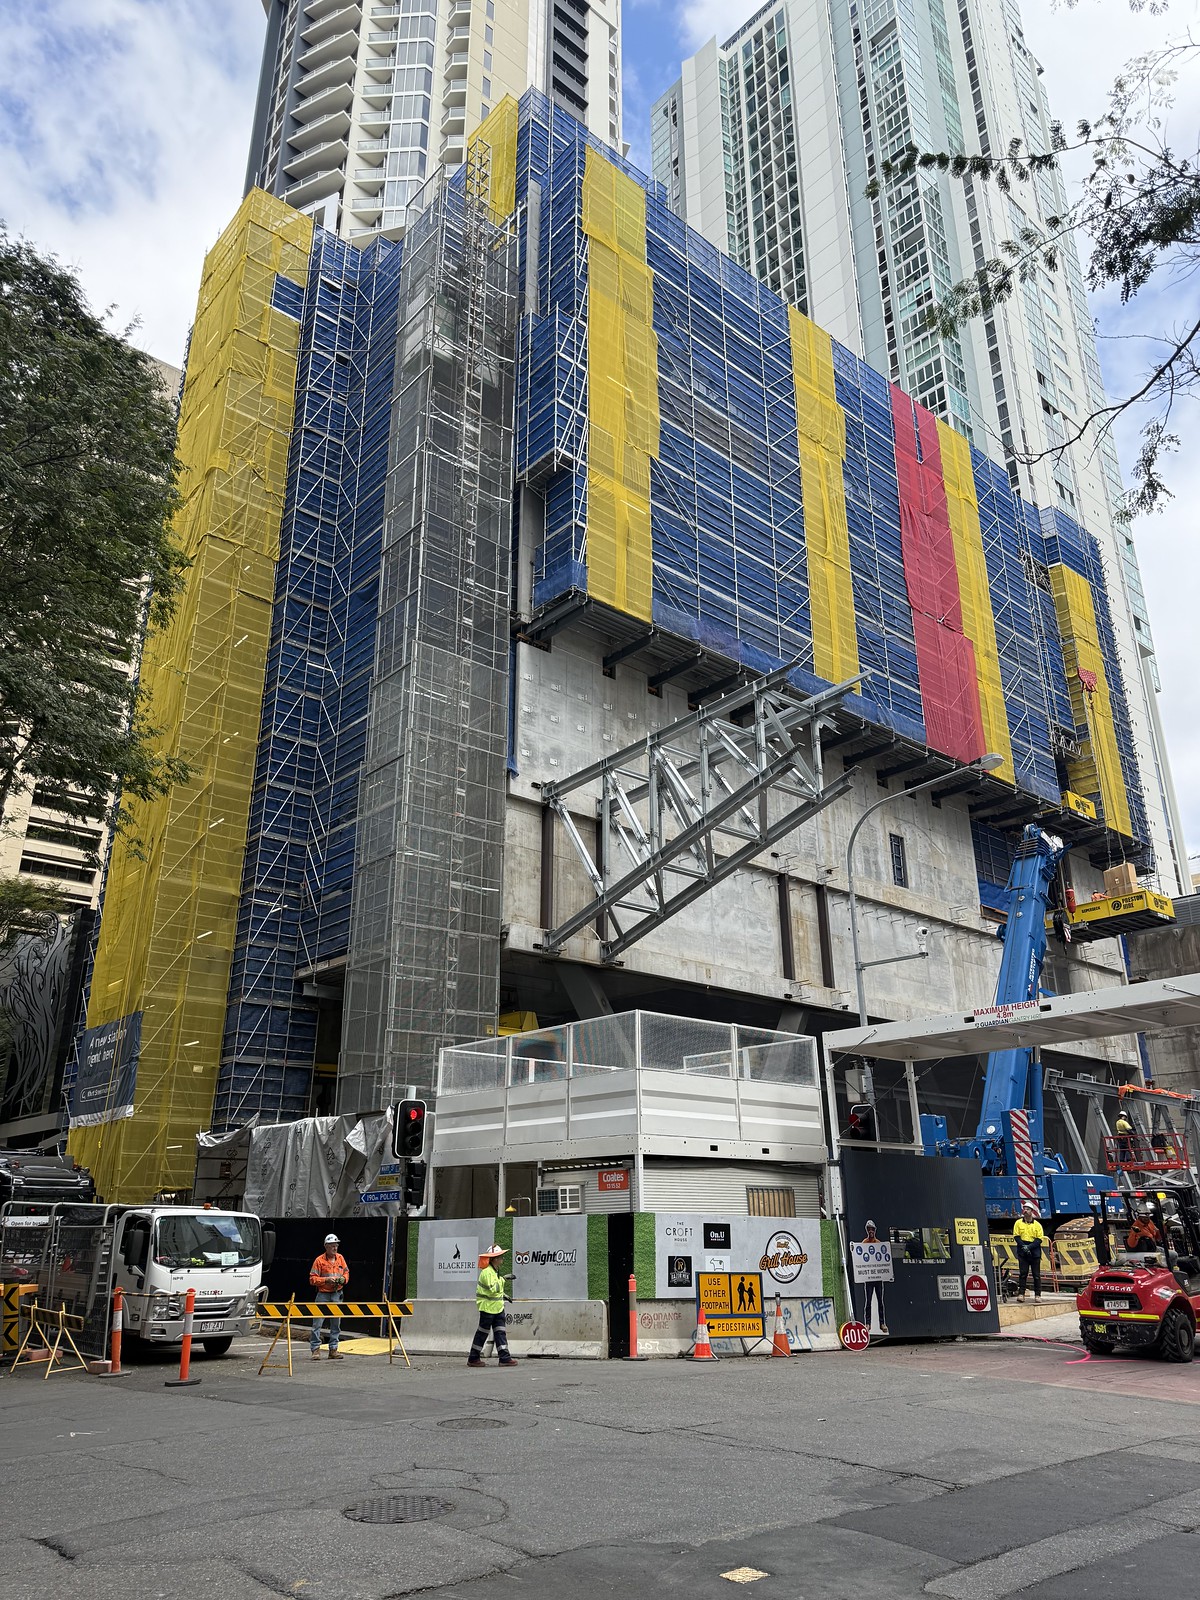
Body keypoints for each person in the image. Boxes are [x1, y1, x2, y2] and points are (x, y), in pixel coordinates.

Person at [468, 1243, 518, 1368]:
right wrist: (503, 1280)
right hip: (488, 1309)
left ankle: (504, 1358)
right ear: (494, 1258)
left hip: (497, 1308)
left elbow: (495, 1290)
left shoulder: (494, 1272)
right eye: (500, 1256)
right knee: (482, 1334)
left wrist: (503, 1295)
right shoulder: (487, 1273)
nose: (502, 1258)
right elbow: (492, 1288)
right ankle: (473, 1358)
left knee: (500, 1333)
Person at [309, 1232, 349, 1360]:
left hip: (337, 1294)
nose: (335, 1248)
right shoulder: (319, 1261)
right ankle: (315, 1350)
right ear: (326, 1246)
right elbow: (312, 1279)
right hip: (323, 1294)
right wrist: (326, 1281)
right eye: (332, 1246)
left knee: (336, 1323)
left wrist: (343, 1279)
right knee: (317, 1323)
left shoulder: (340, 1258)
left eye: (336, 1245)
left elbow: (346, 1273)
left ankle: (333, 1349)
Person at [858, 1221, 889, 1335]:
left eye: (872, 1229)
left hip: (878, 1278)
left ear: (875, 1230)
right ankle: (868, 1323)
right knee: (868, 1301)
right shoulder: (864, 1243)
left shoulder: (879, 1243)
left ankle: (882, 1323)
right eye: (869, 1229)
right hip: (869, 1278)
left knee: (880, 1301)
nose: (871, 1231)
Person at [1012, 1202, 1045, 1300]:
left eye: (1027, 1209)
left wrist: (1029, 1247)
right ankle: (1021, 1294)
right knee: (1023, 1273)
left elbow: (1039, 1239)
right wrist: (1024, 1247)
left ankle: (1037, 1295)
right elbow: (1017, 1236)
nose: (1025, 1211)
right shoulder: (1018, 1223)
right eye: (1024, 1209)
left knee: (1036, 1275)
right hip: (1022, 1252)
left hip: (1034, 1252)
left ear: (1032, 1211)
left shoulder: (1037, 1225)